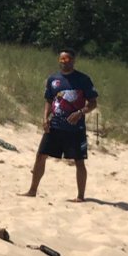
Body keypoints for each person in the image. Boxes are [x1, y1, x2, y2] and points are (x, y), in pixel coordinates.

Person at [22, 47, 98, 202]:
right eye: (62, 59)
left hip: (75, 128)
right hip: (55, 126)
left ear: (73, 60)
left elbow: (93, 103)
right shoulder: (53, 79)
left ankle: (80, 196)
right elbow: (49, 100)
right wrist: (45, 118)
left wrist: (80, 113)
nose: (64, 62)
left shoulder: (83, 79)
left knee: (79, 161)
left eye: (68, 59)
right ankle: (32, 190)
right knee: (40, 156)